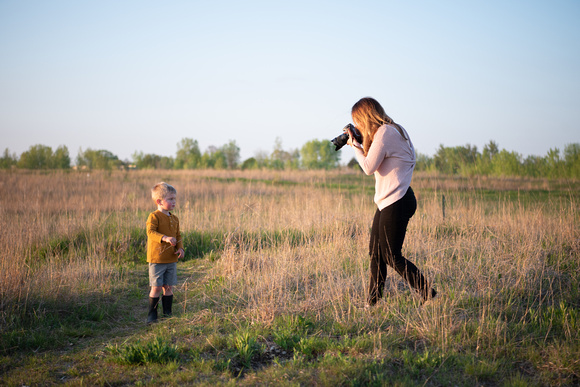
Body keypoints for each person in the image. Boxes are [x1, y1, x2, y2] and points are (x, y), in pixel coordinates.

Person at [346, 97, 436, 305]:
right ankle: (372, 303)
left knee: (391, 255)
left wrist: (354, 146)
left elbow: (368, 167)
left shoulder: (386, 133)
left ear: (365, 117)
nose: (357, 125)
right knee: (376, 253)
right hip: (390, 200)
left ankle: (428, 294)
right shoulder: (393, 129)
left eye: (357, 121)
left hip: (397, 200)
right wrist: (361, 142)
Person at [146, 182, 185, 324]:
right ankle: (152, 315)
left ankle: (167, 313)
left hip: (171, 259)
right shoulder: (154, 217)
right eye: (170, 199)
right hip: (157, 259)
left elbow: (178, 236)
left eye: (174, 199)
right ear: (159, 201)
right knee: (156, 287)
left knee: (168, 287)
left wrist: (180, 248)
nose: (174, 202)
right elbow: (150, 232)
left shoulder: (174, 219)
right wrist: (165, 238)